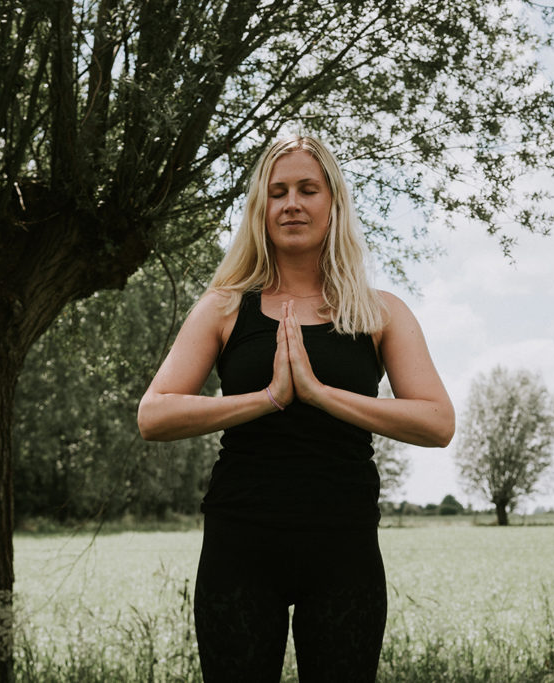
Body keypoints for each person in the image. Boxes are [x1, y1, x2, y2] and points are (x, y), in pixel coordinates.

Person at [137, 134, 454, 682]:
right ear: (261, 208)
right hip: (241, 541)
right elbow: (154, 414)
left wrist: (320, 394)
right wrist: (269, 399)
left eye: (308, 189)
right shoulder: (224, 307)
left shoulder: (379, 312)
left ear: (333, 203)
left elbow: (437, 422)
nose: (291, 204)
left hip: (343, 544)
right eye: (278, 191)